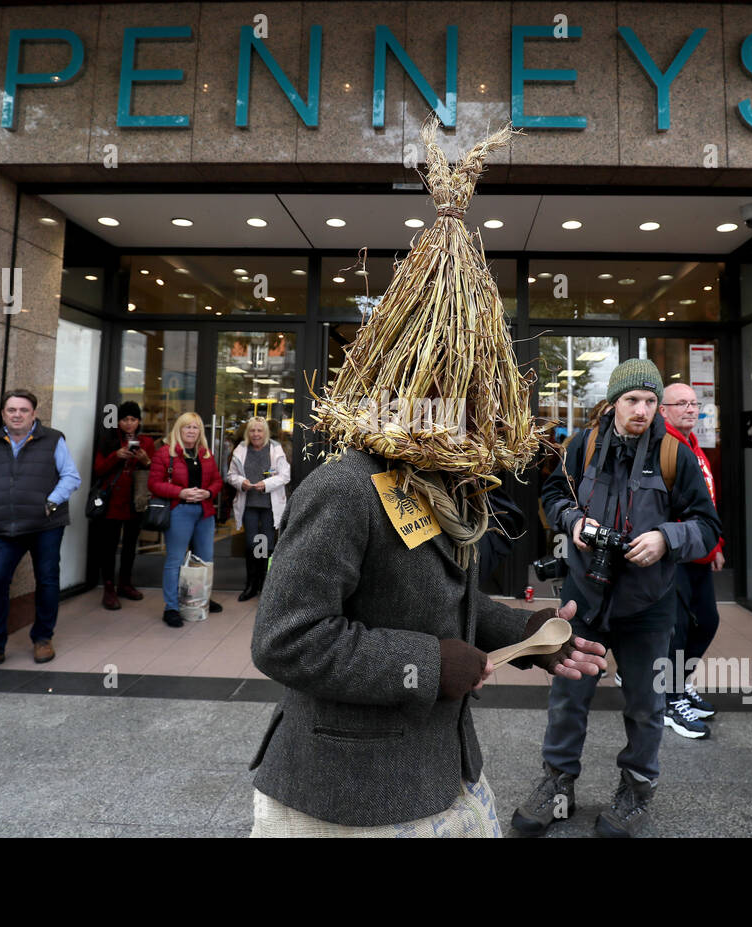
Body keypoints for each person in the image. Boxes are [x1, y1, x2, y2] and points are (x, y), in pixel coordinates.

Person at [248, 122, 608, 837]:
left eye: (477, 396)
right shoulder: (346, 487)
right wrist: (425, 664)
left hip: (441, 773)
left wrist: (529, 631)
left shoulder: (448, 488)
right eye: (450, 392)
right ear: (401, 385)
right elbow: (286, 638)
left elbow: (445, 607)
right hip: (342, 800)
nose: (465, 412)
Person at [515, 358, 722, 837]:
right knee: (568, 695)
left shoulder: (677, 456)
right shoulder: (582, 447)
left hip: (650, 605)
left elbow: (708, 525)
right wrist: (573, 521)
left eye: (651, 401)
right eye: (633, 400)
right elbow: (551, 496)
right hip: (584, 596)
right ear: (612, 403)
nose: (643, 410)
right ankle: (557, 783)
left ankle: (635, 789)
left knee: (647, 704)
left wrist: (667, 538)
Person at [0, 389, 81, 677]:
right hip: (3, 526)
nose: (17, 415)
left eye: (23, 410)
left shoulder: (53, 439)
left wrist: (50, 503)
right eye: (11, 410)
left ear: (34, 414)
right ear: (3, 414)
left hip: (45, 524)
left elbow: (71, 476)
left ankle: (42, 638)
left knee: (47, 580)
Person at [657, 382, 725, 739]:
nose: (690, 408)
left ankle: (679, 685)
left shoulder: (694, 446)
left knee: (708, 622)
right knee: (678, 629)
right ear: (663, 410)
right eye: (680, 403)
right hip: (676, 553)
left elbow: (707, 503)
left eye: (694, 403)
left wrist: (715, 545)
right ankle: (669, 698)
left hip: (699, 551)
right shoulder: (665, 447)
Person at [150, 412, 223, 627]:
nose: (191, 431)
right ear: (178, 430)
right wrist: (180, 492)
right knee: (175, 561)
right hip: (179, 510)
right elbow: (154, 484)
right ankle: (171, 607)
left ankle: (201, 599)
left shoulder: (206, 454)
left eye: (195, 427)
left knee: (205, 559)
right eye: (187, 427)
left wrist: (208, 493)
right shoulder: (165, 453)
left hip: (204, 512)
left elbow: (217, 481)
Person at [90, 401, 154, 610]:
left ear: (139, 422)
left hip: (136, 500)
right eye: (125, 419)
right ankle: (109, 586)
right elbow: (98, 470)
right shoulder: (109, 440)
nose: (129, 424)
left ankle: (125, 583)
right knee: (109, 545)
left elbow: (155, 474)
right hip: (112, 501)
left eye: (133, 420)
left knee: (130, 545)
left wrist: (146, 461)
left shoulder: (146, 442)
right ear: (118, 421)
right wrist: (115, 456)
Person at [226, 416, 290, 603]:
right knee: (252, 545)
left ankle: (265, 586)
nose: (256, 434)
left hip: (270, 506)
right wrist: (241, 483)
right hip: (250, 506)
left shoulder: (275, 449)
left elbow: (285, 475)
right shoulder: (241, 449)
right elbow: (231, 475)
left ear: (265, 433)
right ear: (248, 433)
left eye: (259, 430)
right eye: (252, 431)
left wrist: (266, 484)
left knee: (267, 546)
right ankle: (251, 586)